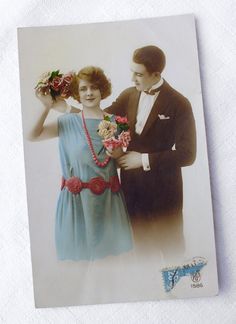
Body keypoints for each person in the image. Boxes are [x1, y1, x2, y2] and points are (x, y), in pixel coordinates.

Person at [104, 45, 197, 261]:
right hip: (131, 186)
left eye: (138, 74)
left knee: (171, 248)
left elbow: (188, 154)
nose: (132, 78)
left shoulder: (180, 103)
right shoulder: (129, 95)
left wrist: (143, 159)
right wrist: (67, 110)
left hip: (164, 190)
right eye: (132, 71)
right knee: (138, 247)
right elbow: (104, 117)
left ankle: (178, 292)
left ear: (156, 74)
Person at [30, 66, 133, 261]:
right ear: (77, 93)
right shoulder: (67, 122)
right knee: (78, 266)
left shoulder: (117, 123)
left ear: (102, 90)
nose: (89, 93)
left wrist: (119, 154)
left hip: (108, 204)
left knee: (111, 265)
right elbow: (32, 135)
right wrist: (46, 107)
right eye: (84, 88)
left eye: (94, 88)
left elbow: (118, 163)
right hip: (77, 205)